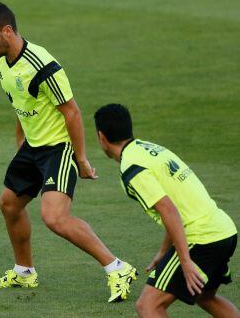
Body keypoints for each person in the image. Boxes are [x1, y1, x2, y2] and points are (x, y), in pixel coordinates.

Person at [0, 2, 137, 302]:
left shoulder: (42, 65)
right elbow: (21, 104)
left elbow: (72, 112)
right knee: (9, 204)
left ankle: (117, 267)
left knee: (54, 217)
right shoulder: (2, 61)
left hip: (58, 149)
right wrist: (20, 145)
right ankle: (24, 272)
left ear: (7, 31)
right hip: (32, 147)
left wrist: (81, 158)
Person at [94, 104, 238, 317]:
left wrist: (186, 261)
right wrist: (163, 251)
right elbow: (174, 208)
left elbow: (169, 210)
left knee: (148, 306)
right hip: (224, 231)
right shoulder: (149, 148)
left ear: (101, 137)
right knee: (205, 297)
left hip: (201, 239)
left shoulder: (132, 168)